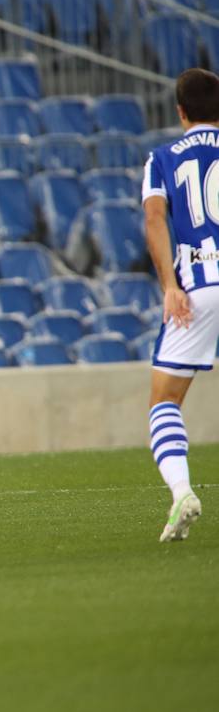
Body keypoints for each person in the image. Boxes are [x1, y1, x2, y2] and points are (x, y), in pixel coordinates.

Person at [141, 67, 219, 543]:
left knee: (165, 399)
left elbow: (154, 217)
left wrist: (169, 283)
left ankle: (182, 493)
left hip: (199, 284)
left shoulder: (164, 157)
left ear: (180, 112)